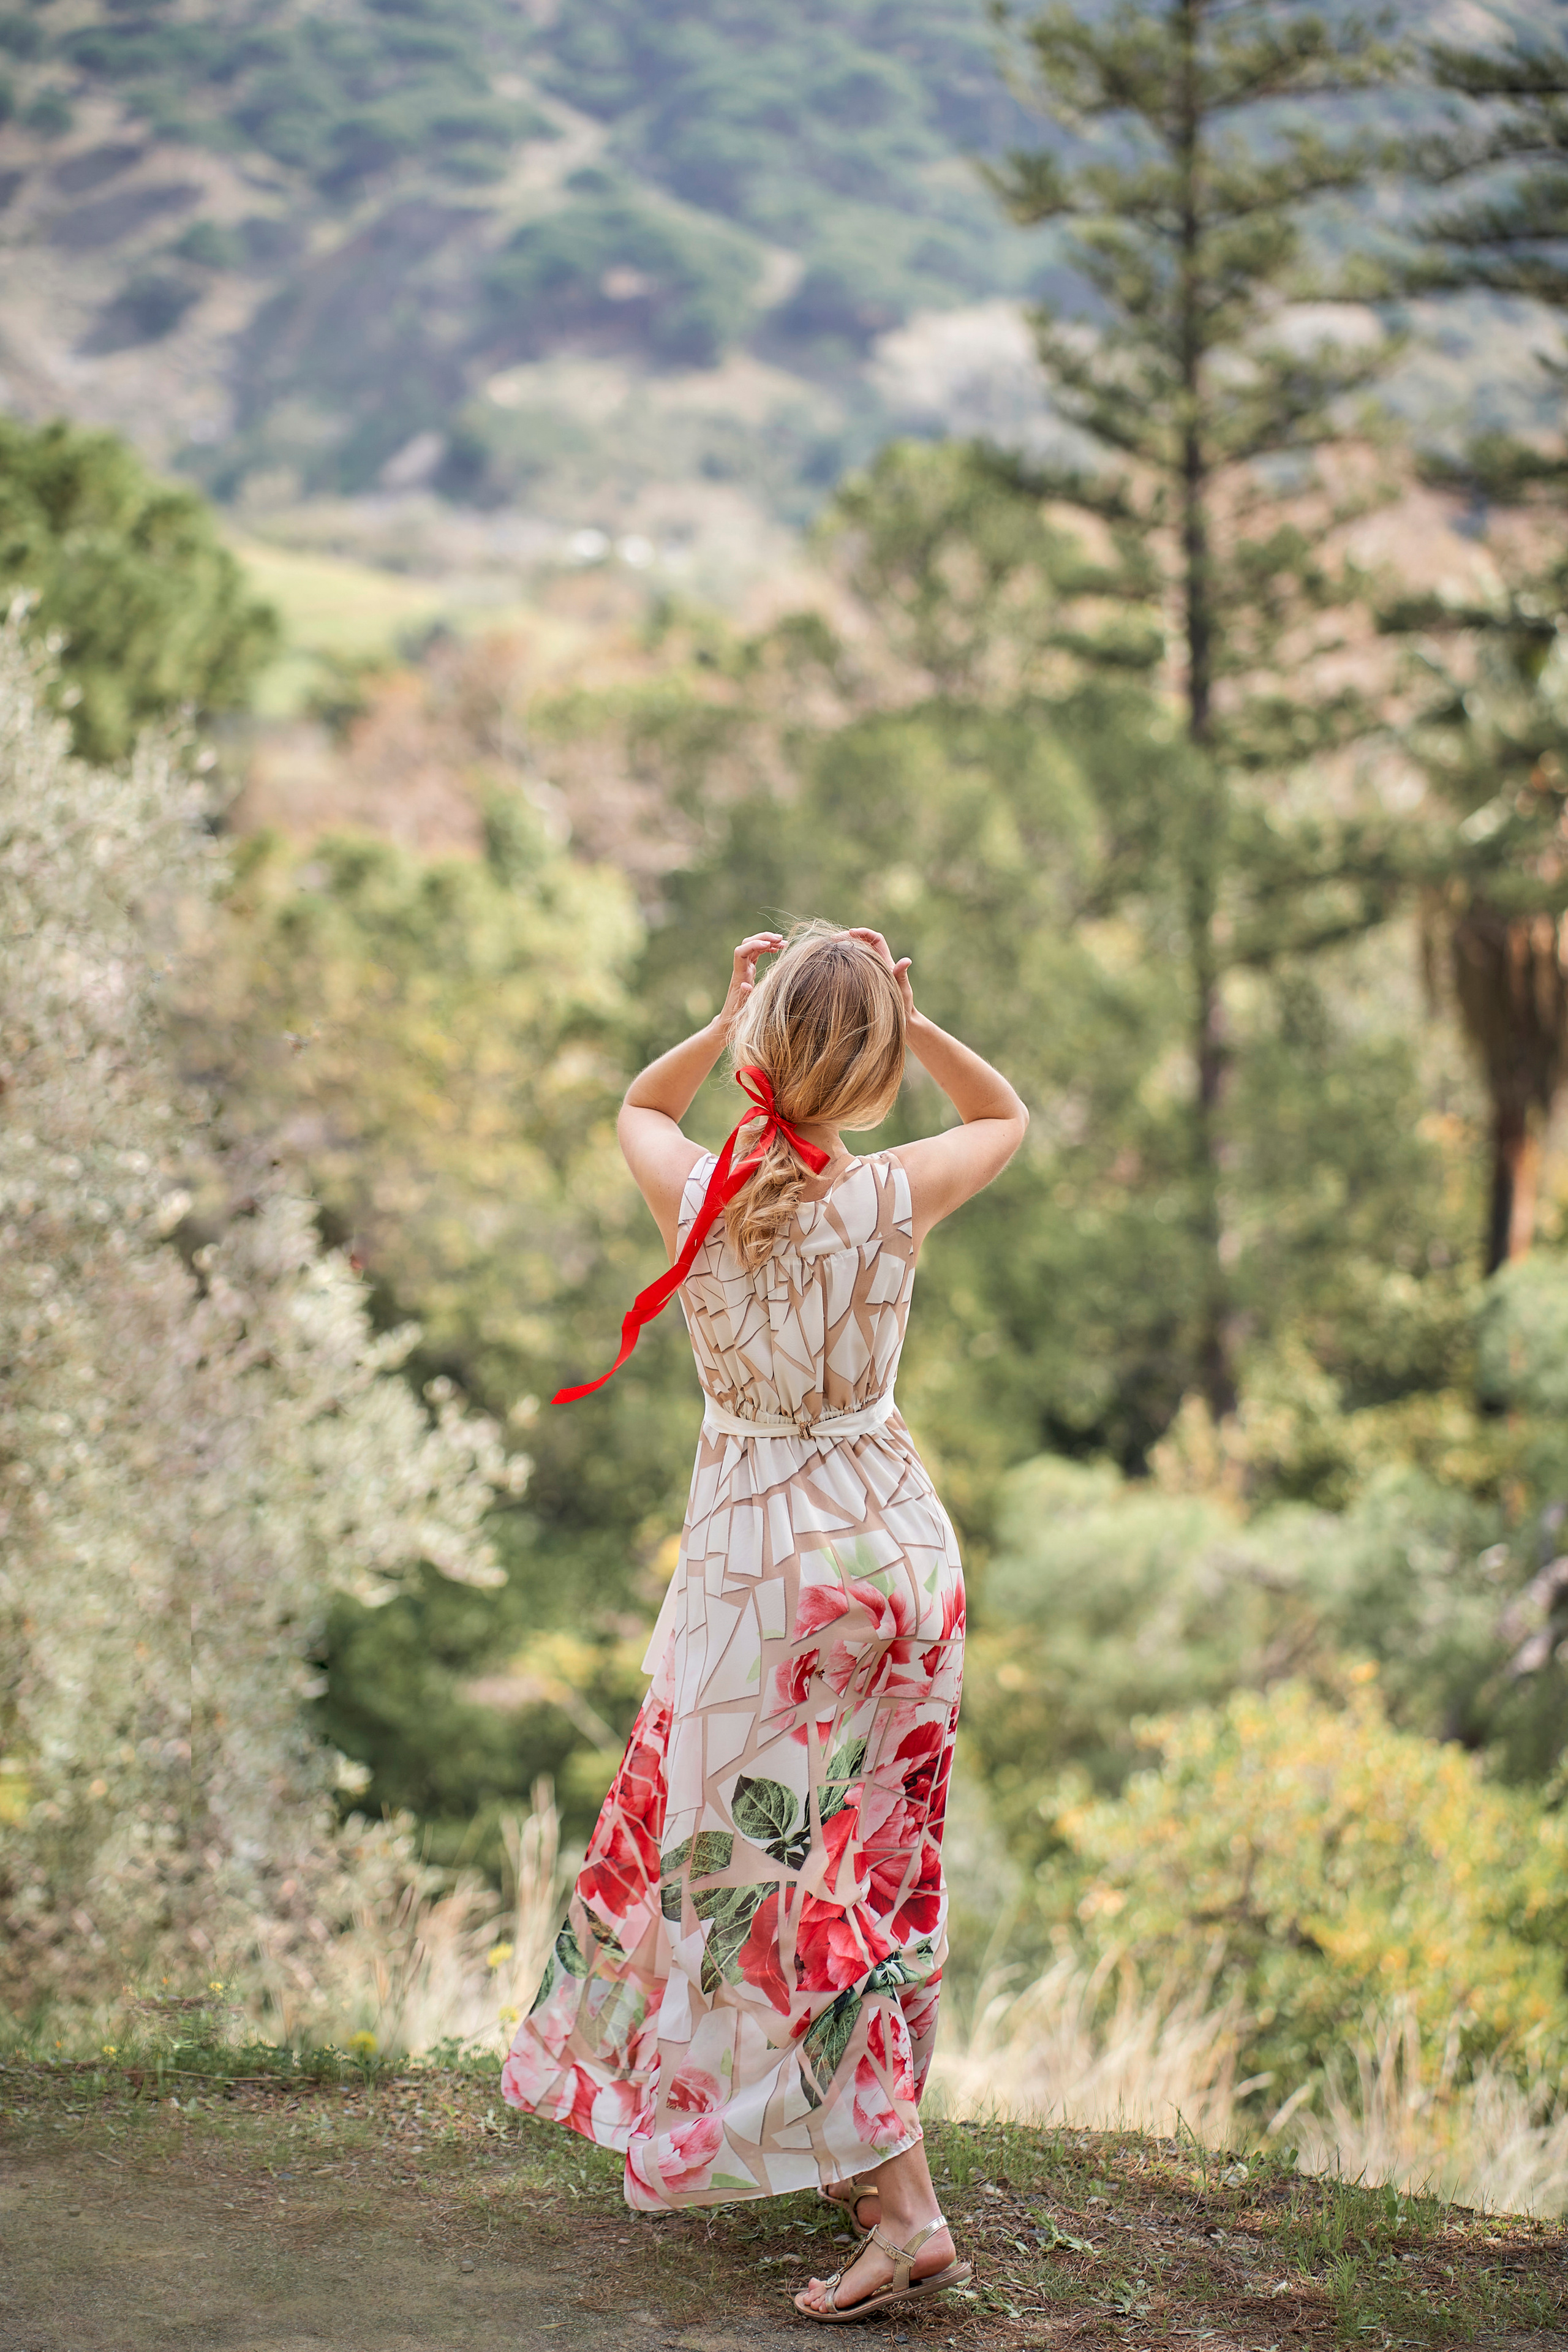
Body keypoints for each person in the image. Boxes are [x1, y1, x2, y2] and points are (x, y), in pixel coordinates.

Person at [501, 920, 1028, 2323]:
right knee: (860, 1862)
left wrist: (718, 1010)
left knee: (775, 1880)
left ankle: (901, 2207)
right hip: (901, 1553)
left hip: (765, 1569)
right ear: (871, 1073)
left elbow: (635, 1102)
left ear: (752, 1054)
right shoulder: (897, 1193)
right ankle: (863, 2171)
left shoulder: (695, 1193)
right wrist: (909, 1017)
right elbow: (1006, 1113)